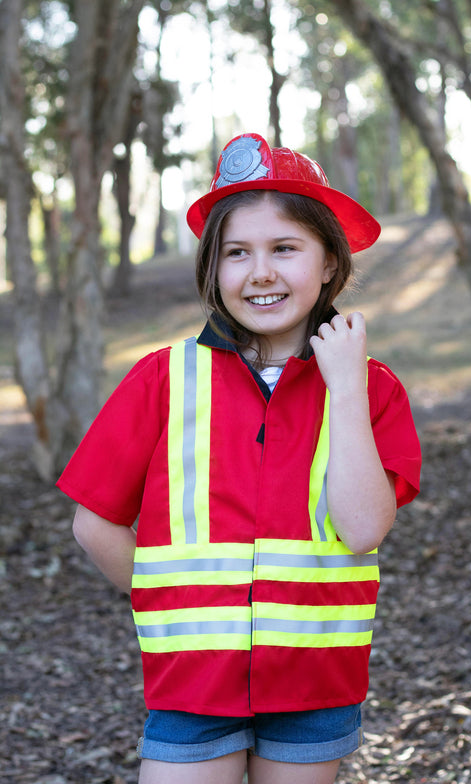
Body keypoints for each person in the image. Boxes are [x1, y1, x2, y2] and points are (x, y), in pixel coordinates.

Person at [57, 132, 421, 784]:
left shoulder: (372, 388)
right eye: (235, 253)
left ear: (329, 265)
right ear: (212, 270)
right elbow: (94, 522)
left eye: (285, 248)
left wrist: (344, 387)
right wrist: (160, 602)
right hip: (191, 683)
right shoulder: (161, 380)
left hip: (315, 679)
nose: (259, 271)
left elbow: (364, 528)